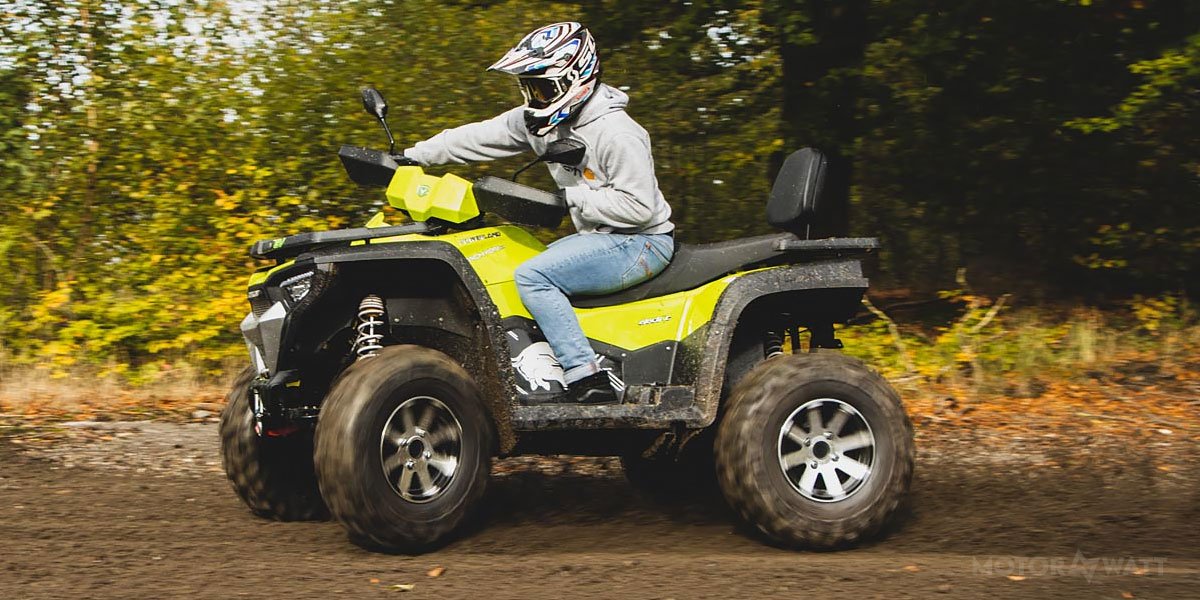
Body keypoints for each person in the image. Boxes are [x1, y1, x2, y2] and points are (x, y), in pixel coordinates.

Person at [401, 22, 674, 404]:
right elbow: (476, 137)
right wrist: (412, 156)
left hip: (641, 242)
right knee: (508, 262)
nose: (534, 98)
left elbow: (640, 207)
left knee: (534, 275)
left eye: (542, 88)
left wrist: (571, 198)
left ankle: (587, 377)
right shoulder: (540, 121)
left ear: (574, 78)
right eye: (528, 88)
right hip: (598, 238)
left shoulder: (617, 133)